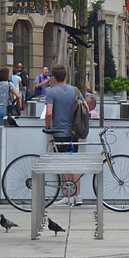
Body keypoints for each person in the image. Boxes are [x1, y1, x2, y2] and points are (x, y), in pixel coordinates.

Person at [44, 65, 82, 206]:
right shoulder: (75, 90)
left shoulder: (51, 93)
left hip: (59, 132)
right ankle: (78, 195)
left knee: (63, 163)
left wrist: (48, 126)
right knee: (74, 163)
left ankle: (67, 195)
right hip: (74, 132)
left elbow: (49, 113)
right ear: (65, 76)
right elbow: (83, 106)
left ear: (53, 77)